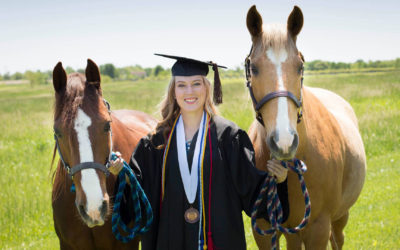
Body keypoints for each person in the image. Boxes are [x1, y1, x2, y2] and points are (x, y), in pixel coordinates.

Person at [109, 54, 289, 250]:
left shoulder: (230, 138)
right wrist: (123, 176)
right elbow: (138, 198)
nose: (189, 92)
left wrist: (278, 182)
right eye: (181, 85)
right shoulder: (154, 144)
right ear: (173, 91)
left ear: (207, 88)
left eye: (196, 84)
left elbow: (251, 191)